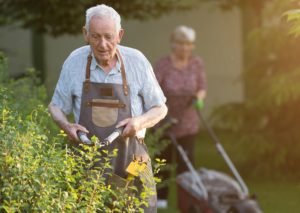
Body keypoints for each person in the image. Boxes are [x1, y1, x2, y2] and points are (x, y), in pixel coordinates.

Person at [48, 4, 167, 212]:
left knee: (140, 206)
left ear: (119, 35)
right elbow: (55, 106)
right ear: (85, 34)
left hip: (132, 161)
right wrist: (66, 125)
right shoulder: (74, 62)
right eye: (95, 36)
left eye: (108, 36)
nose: (102, 44)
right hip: (88, 164)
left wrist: (138, 122)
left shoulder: (136, 62)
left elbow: (160, 108)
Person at [154, 25, 207, 208]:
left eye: (189, 44)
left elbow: (201, 87)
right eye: (181, 43)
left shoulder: (196, 63)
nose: (185, 47)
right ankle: (160, 200)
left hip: (188, 122)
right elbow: (153, 89)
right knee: (164, 160)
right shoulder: (163, 65)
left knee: (186, 162)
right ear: (173, 44)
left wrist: (199, 98)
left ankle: (187, 201)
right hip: (164, 121)